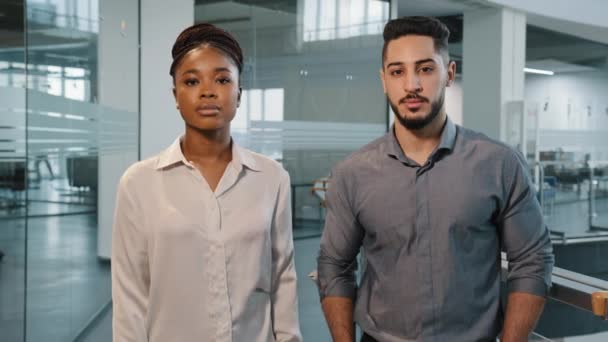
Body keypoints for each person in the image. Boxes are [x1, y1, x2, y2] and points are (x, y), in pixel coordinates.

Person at [317, 16, 554, 342]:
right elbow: (335, 265)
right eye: (397, 71)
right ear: (384, 80)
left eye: (426, 69)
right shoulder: (352, 173)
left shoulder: (498, 164)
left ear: (449, 74)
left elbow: (531, 259)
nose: (411, 84)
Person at [111, 23, 302, 342]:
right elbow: (130, 295)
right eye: (191, 80)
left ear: (239, 94)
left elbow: (282, 279)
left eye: (223, 79)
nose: (208, 90)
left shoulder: (271, 178)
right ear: (176, 95)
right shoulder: (139, 183)